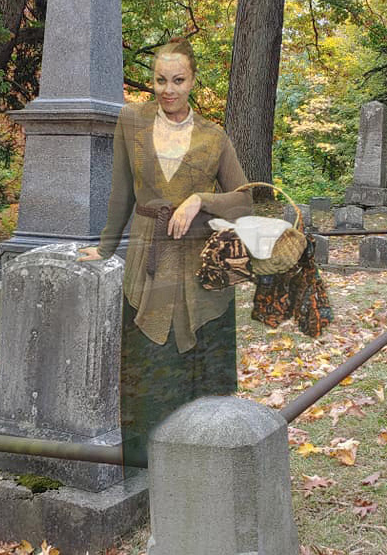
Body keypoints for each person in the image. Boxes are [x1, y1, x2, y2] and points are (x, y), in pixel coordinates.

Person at [78, 38, 253, 468]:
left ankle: (208, 462)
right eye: (160, 80)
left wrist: (202, 199)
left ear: (192, 80)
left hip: (201, 267)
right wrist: (104, 247)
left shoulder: (214, 137)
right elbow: (120, 192)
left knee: (200, 366)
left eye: (178, 80)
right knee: (149, 367)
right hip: (148, 259)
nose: (168, 89)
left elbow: (248, 199)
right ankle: (144, 469)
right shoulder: (131, 120)